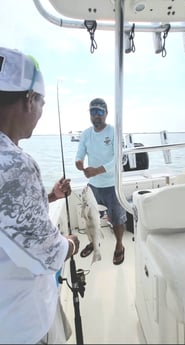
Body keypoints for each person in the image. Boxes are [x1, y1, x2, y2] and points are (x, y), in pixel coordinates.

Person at [0, 47, 80, 344]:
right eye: (42, 102)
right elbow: (49, 254)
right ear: (29, 99)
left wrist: (50, 196)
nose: (41, 111)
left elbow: (7, 212)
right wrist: (72, 243)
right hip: (22, 326)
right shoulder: (15, 165)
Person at [75, 98, 127, 265]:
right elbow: (80, 153)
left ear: (106, 113)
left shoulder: (114, 132)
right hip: (93, 187)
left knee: (117, 219)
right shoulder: (86, 134)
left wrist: (97, 170)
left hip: (112, 185)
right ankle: (93, 242)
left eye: (99, 112)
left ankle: (119, 245)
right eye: (93, 112)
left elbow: (119, 159)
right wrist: (79, 162)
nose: (96, 116)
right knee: (91, 219)